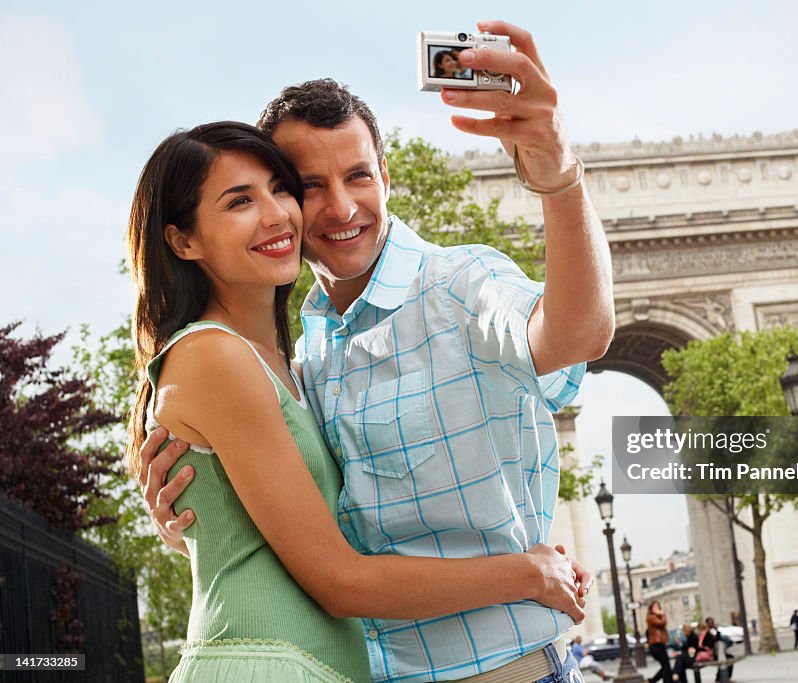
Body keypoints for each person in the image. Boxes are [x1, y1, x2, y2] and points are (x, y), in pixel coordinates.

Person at [139, 19, 615, 683]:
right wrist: (191, 518)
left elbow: (577, 334)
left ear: (386, 178)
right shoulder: (304, 354)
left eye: (358, 176)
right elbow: (312, 548)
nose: (340, 208)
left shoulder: (461, 283)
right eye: (304, 185)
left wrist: (558, 175)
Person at [646, 601, 672, 683]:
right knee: (666, 668)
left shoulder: (657, 616)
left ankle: (651, 681)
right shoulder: (651, 617)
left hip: (660, 644)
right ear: (651, 609)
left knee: (666, 668)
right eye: (655, 607)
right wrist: (663, 614)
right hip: (656, 645)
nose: (657, 608)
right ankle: (651, 681)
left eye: (658, 606)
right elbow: (662, 623)